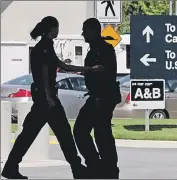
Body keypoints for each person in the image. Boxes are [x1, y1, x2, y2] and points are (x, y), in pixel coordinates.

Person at [1, 16, 103, 179]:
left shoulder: (42, 47)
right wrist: (49, 95)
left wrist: (89, 69)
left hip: (42, 100)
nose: (58, 31)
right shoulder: (45, 47)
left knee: (28, 134)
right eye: (57, 28)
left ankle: (10, 167)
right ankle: (77, 169)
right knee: (64, 134)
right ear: (52, 28)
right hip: (47, 101)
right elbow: (44, 71)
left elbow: (64, 66)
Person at [73, 18, 121, 179]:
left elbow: (105, 74)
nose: (82, 34)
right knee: (99, 132)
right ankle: (102, 166)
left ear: (93, 31)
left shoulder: (104, 50)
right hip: (97, 96)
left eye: (85, 31)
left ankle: (103, 166)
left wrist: (99, 97)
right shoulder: (95, 49)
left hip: (102, 98)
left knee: (91, 131)